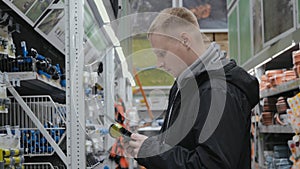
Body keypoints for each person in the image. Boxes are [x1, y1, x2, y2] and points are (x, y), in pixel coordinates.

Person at [124, 7, 259, 169]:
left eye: (161, 54)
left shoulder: (218, 92)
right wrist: (148, 147)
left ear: (185, 41)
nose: (159, 64)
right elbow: (179, 143)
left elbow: (212, 165)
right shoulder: (183, 86)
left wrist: (153, 151)